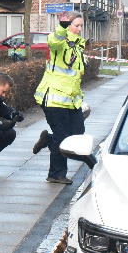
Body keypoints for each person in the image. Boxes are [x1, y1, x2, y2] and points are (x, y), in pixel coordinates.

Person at [32, 12, 86, 184]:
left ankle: (49, 139)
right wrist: (61, 27)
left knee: (77, 134)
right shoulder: (60, 41)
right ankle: (56, 174)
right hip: (54, 98)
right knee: (62, 137)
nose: (79, 29)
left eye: (81, 26)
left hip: (70, 101)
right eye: (76, 25)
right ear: (68, 25)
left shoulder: (78, 46)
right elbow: (54, 40)